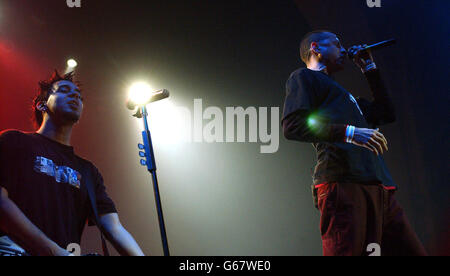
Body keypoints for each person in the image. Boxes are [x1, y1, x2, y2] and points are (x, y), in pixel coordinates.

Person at [282, 30, 427, 256]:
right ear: (315, 48)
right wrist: (350, 132)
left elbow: (386, 112)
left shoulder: (347, 97)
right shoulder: (304, 77)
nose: (343, 50)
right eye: (337, 44)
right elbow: (292, 126)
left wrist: (369, 68)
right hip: (343, 183)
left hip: (379, 188)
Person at [0, 70, 144, 256]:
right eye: (65, 91)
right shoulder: (14, 141)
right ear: (42, 105)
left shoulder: (88, 172)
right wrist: (55, 252)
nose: (74, 97)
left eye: (78, 96)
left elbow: (115, 229)